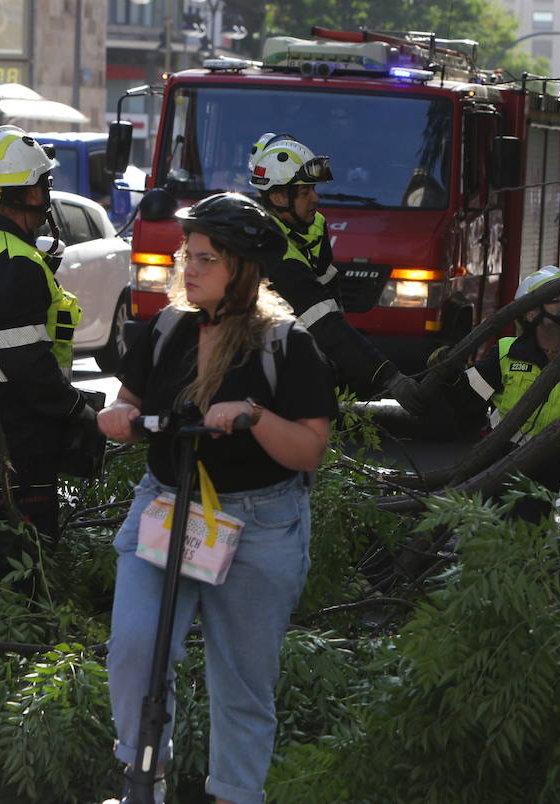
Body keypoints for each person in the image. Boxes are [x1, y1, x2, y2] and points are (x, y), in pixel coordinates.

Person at [99, 193, 335, 804]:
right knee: (135, 649)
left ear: (242, 268)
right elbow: (126, 400)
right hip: (168, 505)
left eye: (205, 258)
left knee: (241, 682)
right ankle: (142, 779)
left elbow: (310, 450)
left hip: (260, 522)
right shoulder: (169, 327)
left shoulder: (286, 343)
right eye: (188, 254)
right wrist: (119, 416)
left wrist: (254, 416)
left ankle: (234, 793)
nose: (189, 267)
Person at [0, 125, 97, 580]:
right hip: (13, 435)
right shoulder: (14, 263)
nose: (48, 191)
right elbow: (27, 365)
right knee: (21, 565)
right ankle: (21, 646)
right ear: (27, 191)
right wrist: (76, 410)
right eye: (43, 182)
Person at [247, 132, 429, 415]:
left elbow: (331, 310)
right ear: (279, 196)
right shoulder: (272, 248)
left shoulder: (312, 227)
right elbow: (321, 321)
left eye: (314, 189)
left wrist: (346, 364)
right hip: (259, 373)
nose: (316, 199)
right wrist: (389, 376)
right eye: (306, 192)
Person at [448, 265, 560, 522]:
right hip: (497, 464)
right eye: (557, 295)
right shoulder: (505, 353)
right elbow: (463, 402)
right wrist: (448, 373)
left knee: (524, 536)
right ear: (531, 312)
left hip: (550, 471)